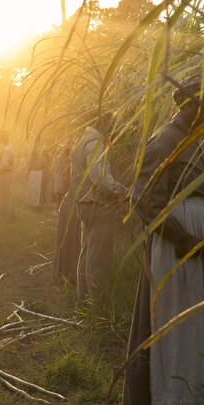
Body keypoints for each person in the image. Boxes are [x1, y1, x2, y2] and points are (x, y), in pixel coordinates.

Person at [121, 74, 204, 405]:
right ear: (192, 104)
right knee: (178, 328)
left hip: (198, 246)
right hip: (178, 250)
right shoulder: (165, 140)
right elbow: (145, 201)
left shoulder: (192, 140)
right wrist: (183, 237)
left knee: (199, 326)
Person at [75, 111, 128, 302]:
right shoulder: (95, 141)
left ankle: (83, 300)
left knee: (87, 253)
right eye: (109, 119)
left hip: (86, 205)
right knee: (98, 258)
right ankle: (96, 306)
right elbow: (98, 176)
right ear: (101, 121)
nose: (112, 123)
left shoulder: (83, 139)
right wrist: (123, 191)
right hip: (98, 206)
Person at [53, 141, 84, 284]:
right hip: (72, 204)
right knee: (73, 238)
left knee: (73, 239)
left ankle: (70, 271)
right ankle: (70, 272)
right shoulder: (69, 166)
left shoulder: (72, 165)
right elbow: (65, 185)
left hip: (71, 203)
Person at [0, 130, 14, 219]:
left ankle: (7, 215)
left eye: (0, 136)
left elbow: (4, 165)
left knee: (4, 194)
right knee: (6, 193)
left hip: (5, 174)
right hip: (7, 173)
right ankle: (6, 214)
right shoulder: (10, 146)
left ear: (3, 137)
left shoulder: (6, 148)